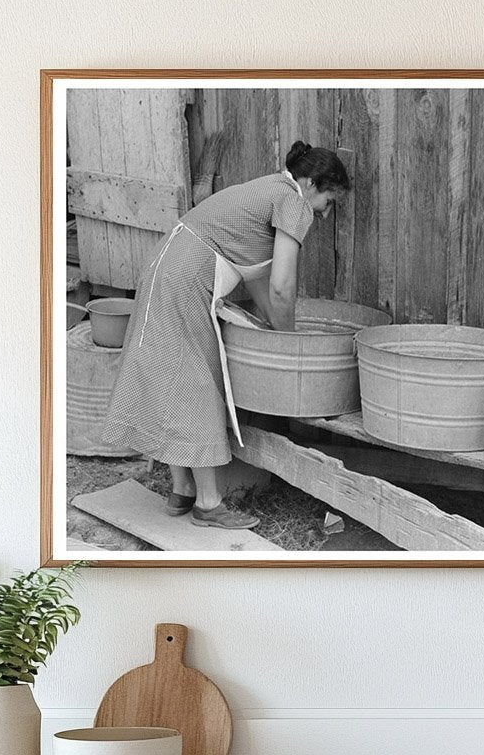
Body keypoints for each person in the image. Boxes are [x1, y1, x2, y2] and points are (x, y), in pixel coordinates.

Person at [101, 140, 351, 530]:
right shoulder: (293, 201)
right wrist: (288, 345)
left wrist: (272, 328)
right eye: (329, 200)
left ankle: (181, 489)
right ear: (311, 183)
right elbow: (283, 287)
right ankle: (209, 504)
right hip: (184, 278)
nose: (325, 213)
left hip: (169, 267)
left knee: (174, 379)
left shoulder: (268, 190)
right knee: (196, 382)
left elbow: (260, 283)